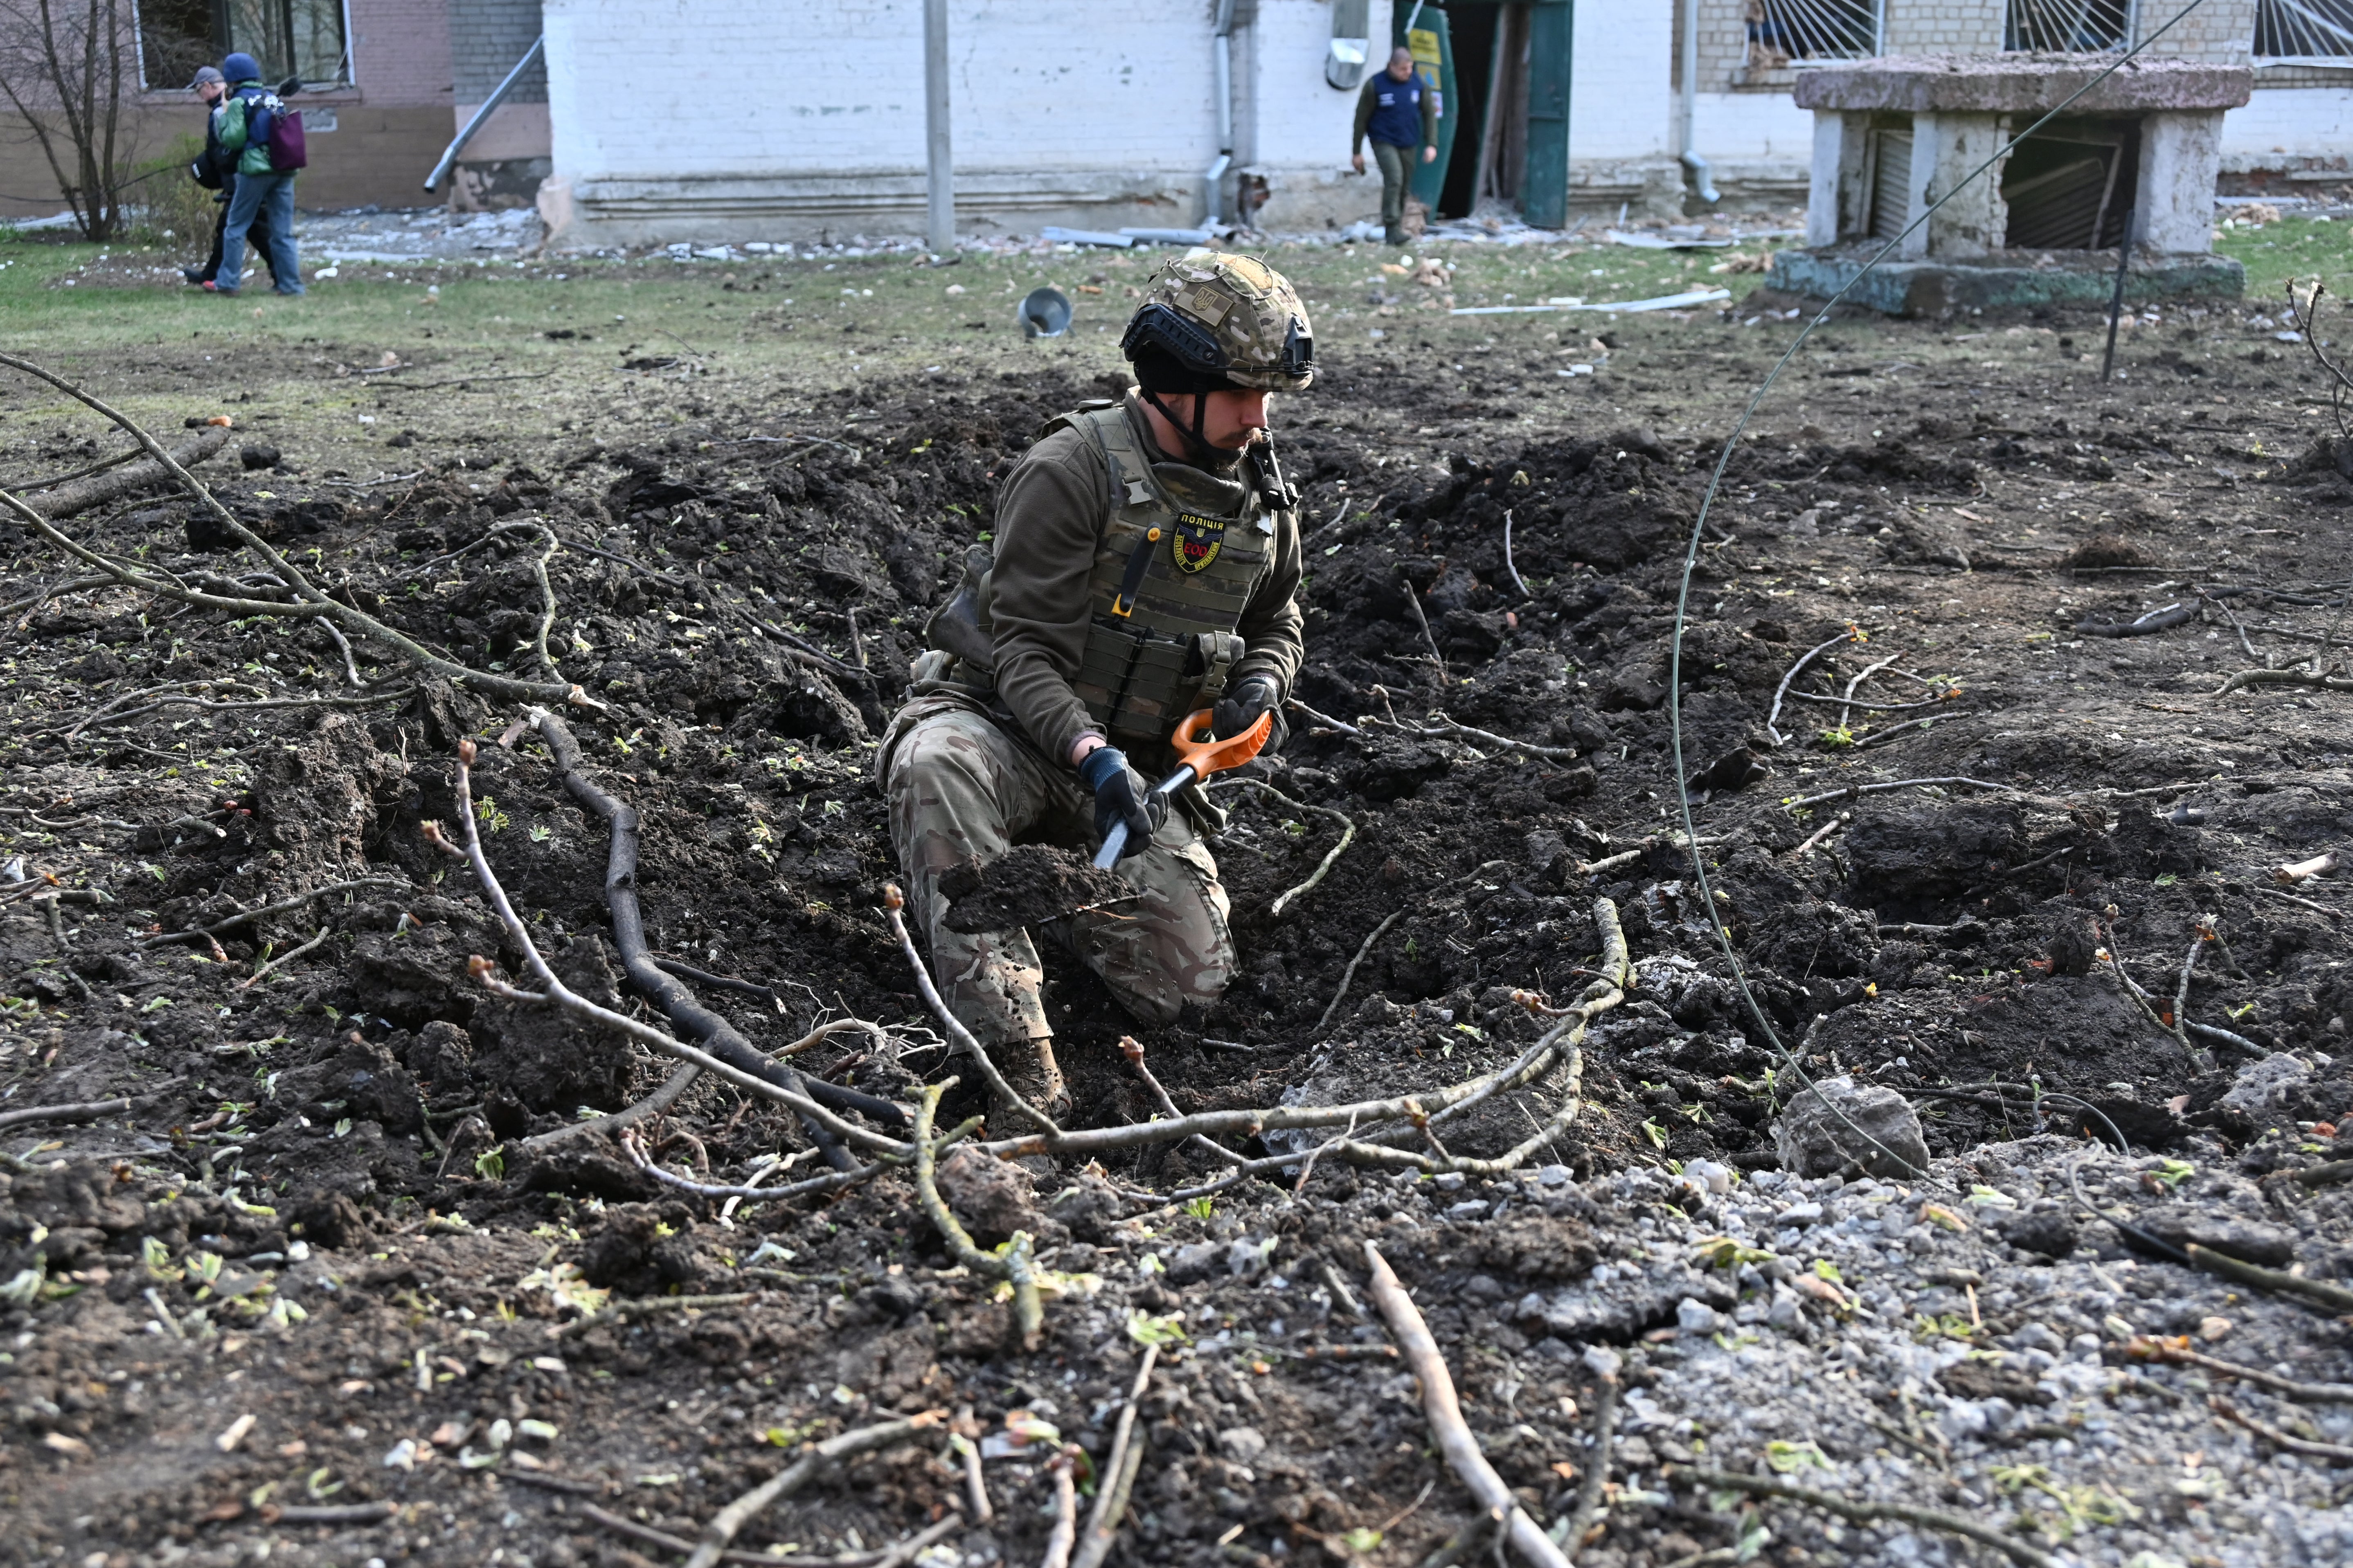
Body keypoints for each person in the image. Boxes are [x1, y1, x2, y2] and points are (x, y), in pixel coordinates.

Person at [881, 255, 1313, 1123]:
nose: (1256, 418)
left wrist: (1263, 679)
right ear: (1174, 381)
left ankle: (1050, 888)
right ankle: (1015, 1064)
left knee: (1190, 989)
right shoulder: (1068, 470)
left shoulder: (1260, 488)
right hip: (1007, 732)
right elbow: (1023, 655)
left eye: (1269, 397)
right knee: (936, 764)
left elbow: (1280, 617)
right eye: (1239, 393)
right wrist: (1091, 755)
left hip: (1138, 777)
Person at [209, 52, 302, 297]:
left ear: (232, 79)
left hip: (255, 171)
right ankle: (291, 286)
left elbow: (233, 139)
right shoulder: (273, 99)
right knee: (283, 233)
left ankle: (228, 282)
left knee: (236, 226)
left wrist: (224, 116)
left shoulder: (239, 102)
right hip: (284, 170)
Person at [183, 65, 278, 290]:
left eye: (199, 91)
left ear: (208, 86)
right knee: (241, 229)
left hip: (240, 181)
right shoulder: (238, 102)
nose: (200, 97)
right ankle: (212, 275)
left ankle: (281, 277)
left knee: (251, 230)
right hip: (243, 178)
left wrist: (212, 163)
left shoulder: (223, 109)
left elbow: (227, 149)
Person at [1351, 46, 1439, 247]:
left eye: (1410, 68)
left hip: (1409, 142)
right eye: (1403, 69)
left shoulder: (1418, 84)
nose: (1407, 73)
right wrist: (1356, 152)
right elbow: (1361, 119)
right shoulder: (1376, 85)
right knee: (1395, 179)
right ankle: (1391, 226)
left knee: (1404, 185)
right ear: (1392, 66)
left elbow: (1429, 115)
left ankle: (1396, 230)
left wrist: (1432, 144)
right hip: (1383, 140)